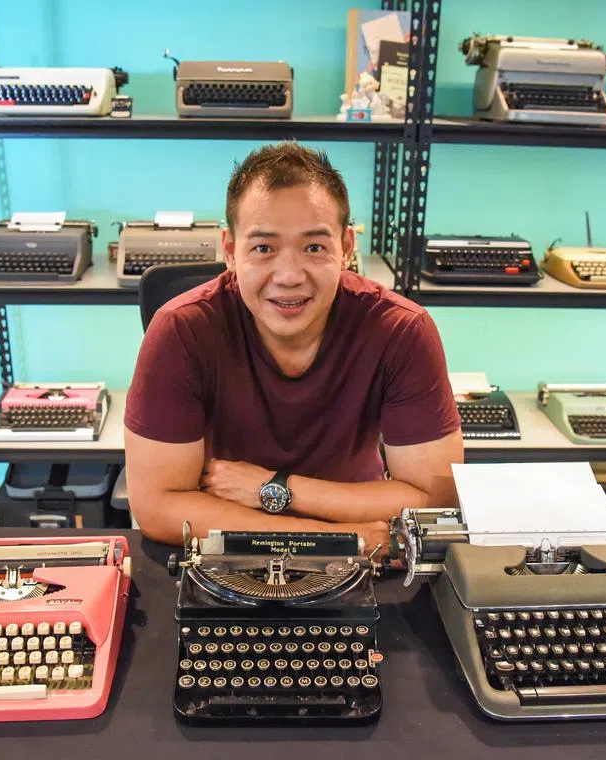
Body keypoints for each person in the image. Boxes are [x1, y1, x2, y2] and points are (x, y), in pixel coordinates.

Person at [124, 142, 462, 554]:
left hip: (358, 548)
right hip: (241, 548)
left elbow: (435, 502)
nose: (288, 276)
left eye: (314, 247)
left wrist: (277, 489)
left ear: (347, 248)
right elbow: (158, 507)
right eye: (263, 248)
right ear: (230, 250)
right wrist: (332, 540)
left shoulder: (401, 330)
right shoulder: (180, 329)